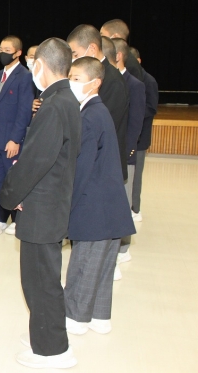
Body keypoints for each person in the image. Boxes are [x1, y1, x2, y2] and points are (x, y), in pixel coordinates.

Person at [0, 38, 81, 369]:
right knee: (41, 277)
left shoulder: (53, 106)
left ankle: (53, 351)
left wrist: (10, 196)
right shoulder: (65, 99)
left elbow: (34, 161)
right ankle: (45, 334)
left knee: (40, 281)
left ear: (40, 66)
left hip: (42, 207)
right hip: (51, 201)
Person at [64, 56, 136, 338]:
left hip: (93, 206)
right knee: (103, 268)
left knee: (84, 266)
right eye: (69, 77)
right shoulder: (99, 111)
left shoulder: (90, 116)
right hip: (111, 207)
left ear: (95, 83)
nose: (71, 83)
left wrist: (66, 205)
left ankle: (75, 318)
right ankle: (99, 317)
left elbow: (81, 168)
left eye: (76, 79)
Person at [101, 21, 159, 222]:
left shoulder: (135, 80)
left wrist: (129, 149)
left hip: (125, 146)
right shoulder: (104, 79)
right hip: (109, 145)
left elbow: (136, 119)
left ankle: (127, 223)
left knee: (126, 191)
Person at [0, 35, 34, 235]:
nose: (2, 53)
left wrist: (15, 139)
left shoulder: (25, 76)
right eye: (0, 49)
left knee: (14, 181)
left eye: (7, 50)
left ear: (18, 53)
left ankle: (17, 219)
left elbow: (24, 111)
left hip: (11, 140)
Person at [67, 25, 129, 181]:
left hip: (103, 164)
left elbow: (102, 126)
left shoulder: (112, 80)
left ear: (92, 49)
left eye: (75, 54)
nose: (73, 59)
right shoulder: (87, 76)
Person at [112, 38, 145, 277]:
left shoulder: (134, 84)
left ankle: (123, 248)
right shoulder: (108, 81)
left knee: (123, 202)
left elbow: (135, 121)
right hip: (108, 152)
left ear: (118, 56)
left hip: (124, 154)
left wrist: (128, 151)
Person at [129, 48, 158, 223]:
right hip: (130, 134)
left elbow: (151, 108)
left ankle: (135, 208)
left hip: (141, 137)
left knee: (136, 176)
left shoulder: (149, 81)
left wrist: (134, 111)